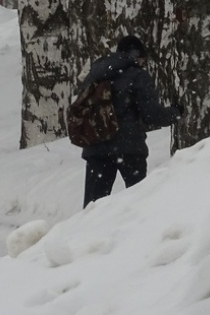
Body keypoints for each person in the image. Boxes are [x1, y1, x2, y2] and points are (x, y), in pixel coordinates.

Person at [77, 35, 181, 207]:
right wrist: (175, 112)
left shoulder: (95, 74)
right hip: (128, 148)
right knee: (138, 204)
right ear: (137, 55)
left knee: (92, 209)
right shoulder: (137, 75)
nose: (143, 63)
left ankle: (89, 234)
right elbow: (151, 115)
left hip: (96, 146)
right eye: (143, 59)